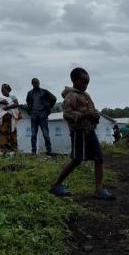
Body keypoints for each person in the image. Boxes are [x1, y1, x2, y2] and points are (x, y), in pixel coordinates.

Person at [51, 67, 114, 200]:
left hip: (90, 131)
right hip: (78, 133)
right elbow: (67, 114)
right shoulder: (71, 96)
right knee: (76, 159)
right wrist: (85, 115)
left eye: (87, 83)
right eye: (83, 82)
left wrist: (95, 116)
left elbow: (93, 111)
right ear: (74, 81)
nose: (85, 85)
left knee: (99, 158)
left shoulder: (86, 96)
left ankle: (99, 188)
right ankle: (56, 184)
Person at [26, 78, 56, 155]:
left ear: (39, 83)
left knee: (46, 134)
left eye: (37, 82)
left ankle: (49, 151)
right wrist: (30, 110)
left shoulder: (44, 92)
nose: (36, 84)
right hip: (33, 116)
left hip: (43, 115)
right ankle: (33, 151)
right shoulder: (30, 93)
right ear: (32, 83)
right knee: (33, 135)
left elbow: (54, 98)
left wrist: (48, 108)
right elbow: (28, 101)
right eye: (34, 83)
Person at [0, 84, 21, 154]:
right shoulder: (0, 98)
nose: (2, 92)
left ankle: (14, 151)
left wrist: (8, 107)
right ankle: (4, 151)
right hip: (3, 119)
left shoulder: (12, 97)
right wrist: (1, 102)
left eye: (3, 90)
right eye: (1, 91)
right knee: (3, 134)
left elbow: (17, 104)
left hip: (11, 119)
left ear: (8, 90)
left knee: (12, 133)